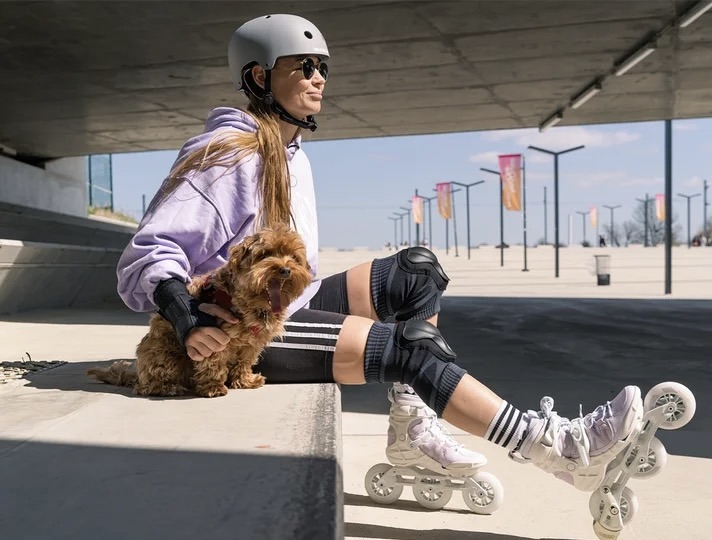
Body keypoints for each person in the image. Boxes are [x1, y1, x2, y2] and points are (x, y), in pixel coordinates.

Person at [116, 13, 644, 493]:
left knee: (417, 272)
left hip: (286, 299)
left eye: (322, 66)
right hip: (247, 327)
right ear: (260, 78)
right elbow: (150, 249)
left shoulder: (289, 150)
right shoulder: (227, 154)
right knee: (412, 347)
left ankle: (414, 429)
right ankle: (559, 448)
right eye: (304, 66)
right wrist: (185, 317)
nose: (319, 77)